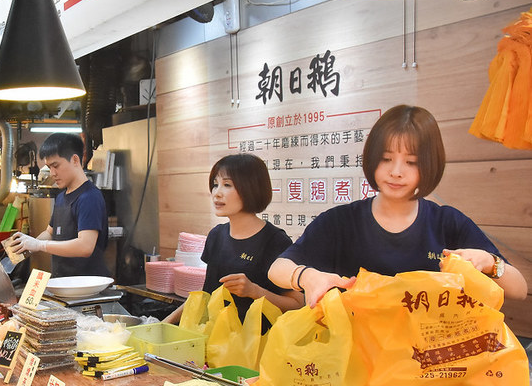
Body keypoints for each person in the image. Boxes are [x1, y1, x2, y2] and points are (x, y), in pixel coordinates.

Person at [268, 105, 528, 307]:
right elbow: (277, 269)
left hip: (428, 364)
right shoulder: (340, 222)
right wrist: (306, 277)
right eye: (386, 159)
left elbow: (518, 289)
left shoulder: (447, 223)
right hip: (353, 362)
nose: (396, 172)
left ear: (430, 165)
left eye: (411, 162)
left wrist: (489, 262)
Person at [164, 155, 303, 324]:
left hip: (256, 344)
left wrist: (255, 291)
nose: (217, 193)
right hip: (215, 339)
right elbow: (207, 292)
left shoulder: (275, 241)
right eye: (216, 184)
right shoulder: (216, 235)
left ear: (251, 188)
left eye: (227, 185)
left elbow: (297, 304)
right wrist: (166, 323)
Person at [10, 133, 110, 277]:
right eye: (49, 167)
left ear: (75, 160)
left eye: (56, 166)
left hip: (86, 286)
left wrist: (40, 245)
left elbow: (85, 246)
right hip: (64, 282)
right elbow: (50, 233)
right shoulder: (62, 197)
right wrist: (28, 244)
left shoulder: (89, 197)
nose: (52, 173)